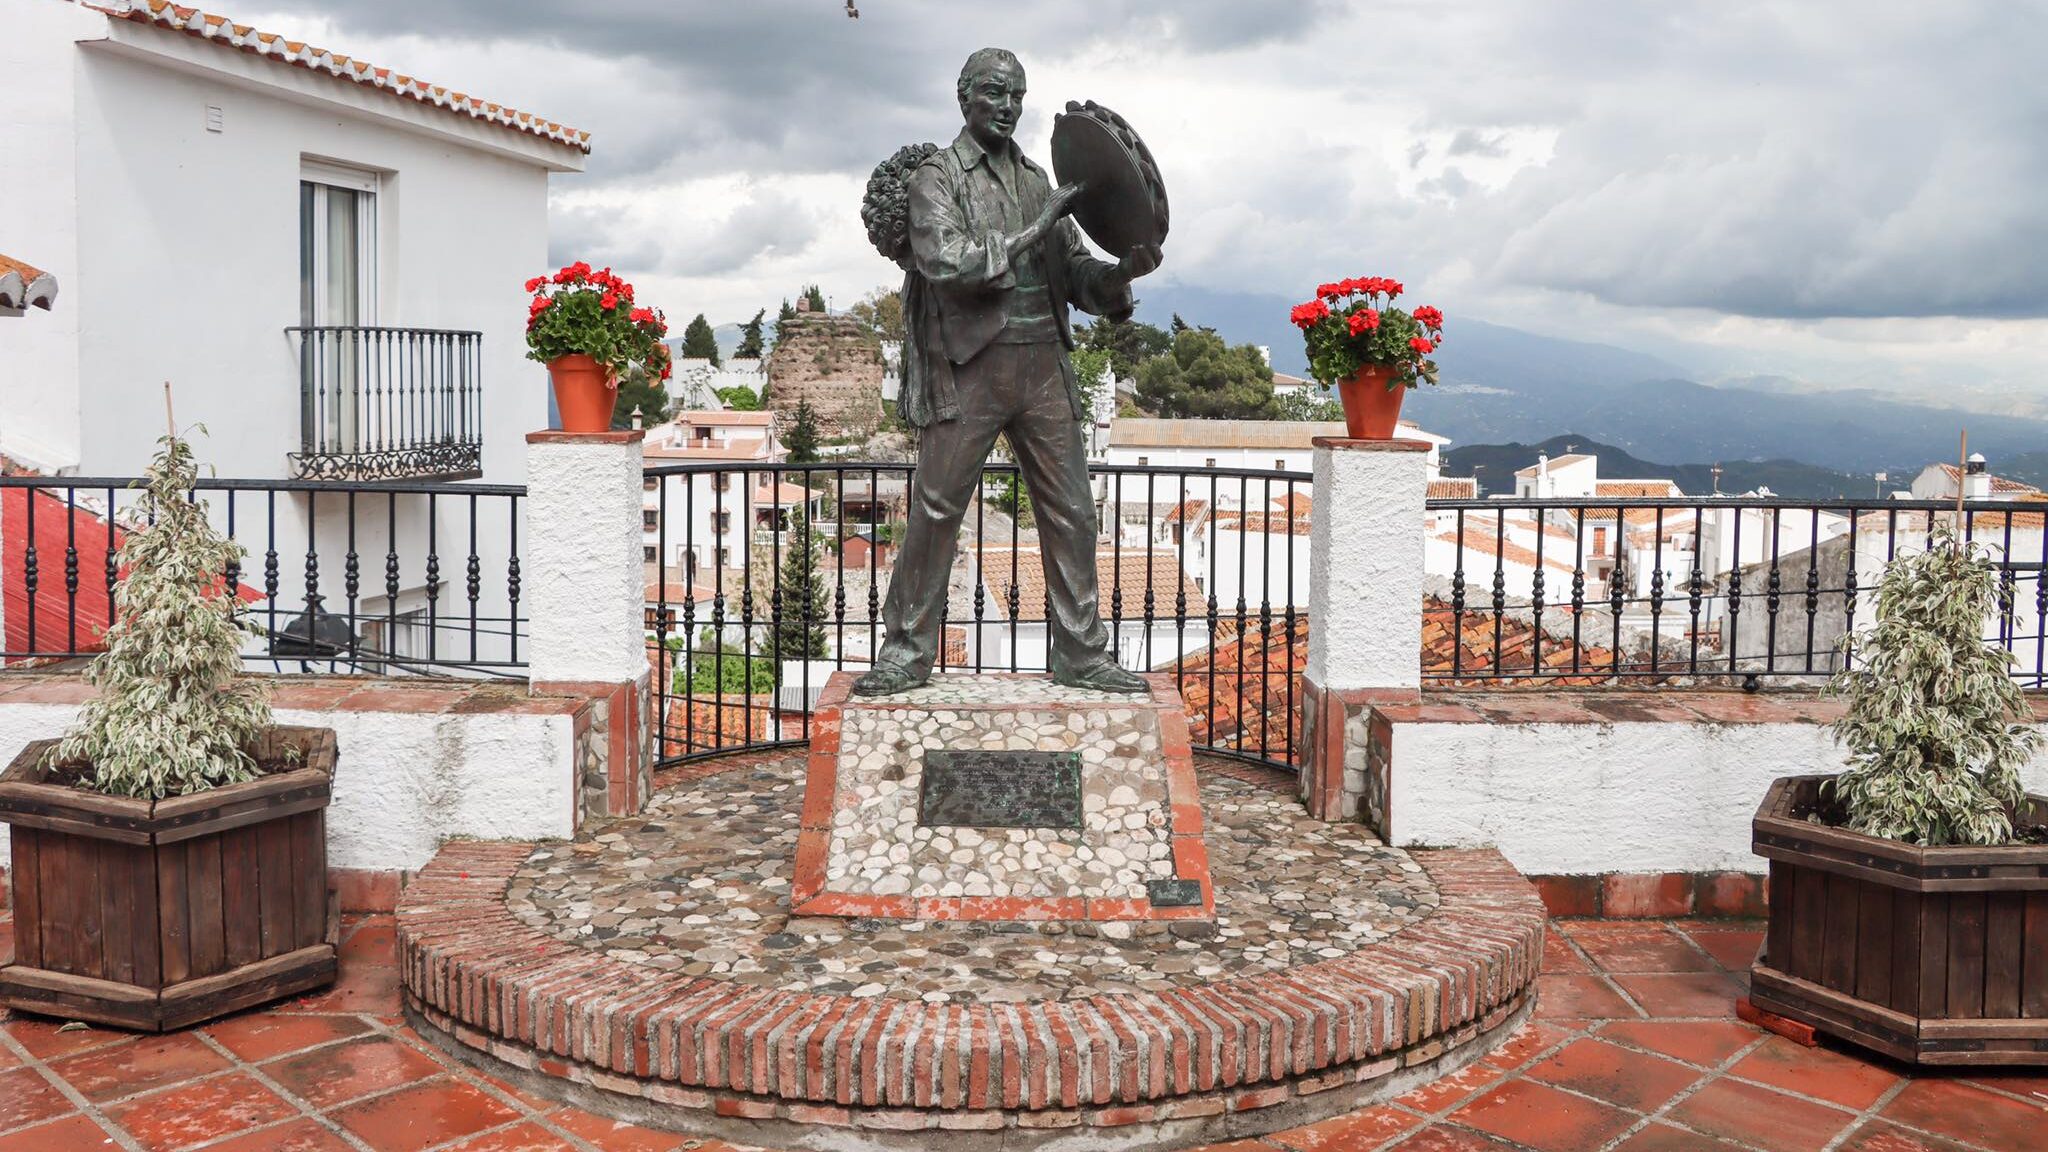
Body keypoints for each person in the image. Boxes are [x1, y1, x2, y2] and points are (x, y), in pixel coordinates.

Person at [854, 47, 1163, 696]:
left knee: (1073, 511)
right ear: (965, 96)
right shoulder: (938, 180)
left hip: (1045, 364)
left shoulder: (1035, 182)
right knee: (937, 510)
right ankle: (906, 651)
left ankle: (1081, 654)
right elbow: (952, 264)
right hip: (972, 367)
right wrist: (1036, 229)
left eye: (1018, 96)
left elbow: (1077, 276)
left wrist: (1122, 276)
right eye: (996, 93)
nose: (1009, 107)